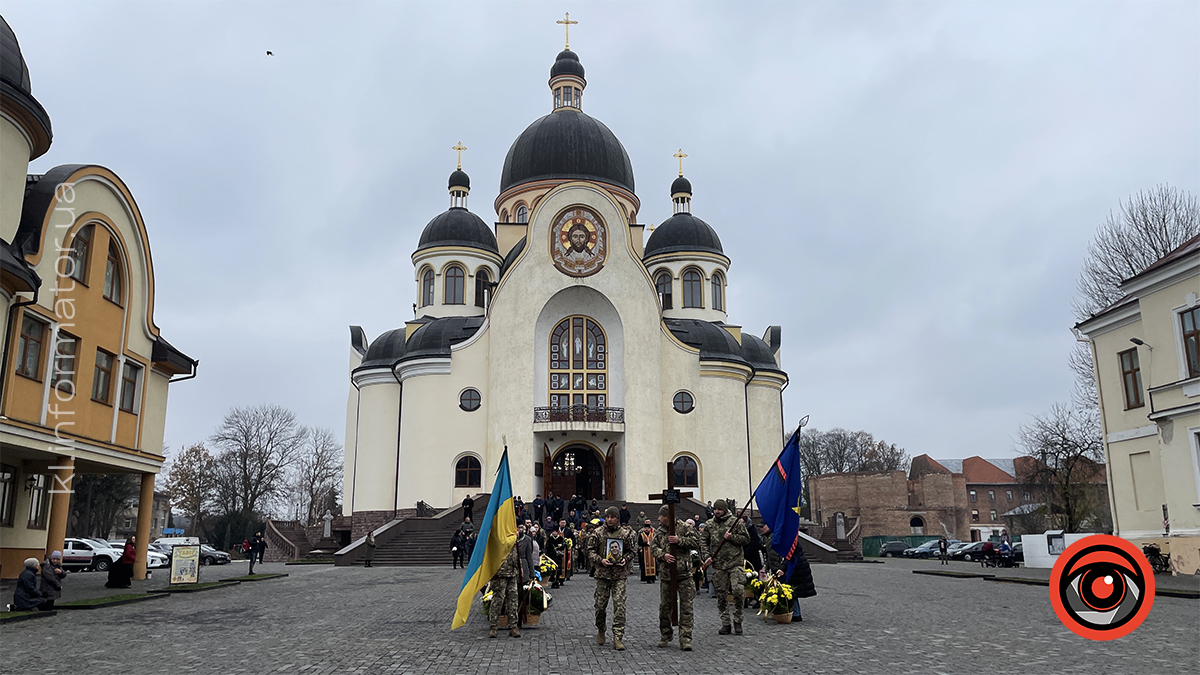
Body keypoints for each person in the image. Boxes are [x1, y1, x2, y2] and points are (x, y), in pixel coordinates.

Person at [588, 506, 637, 651]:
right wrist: (600, 560)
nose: (609, 519)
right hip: (602, 574)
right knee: (600, 606)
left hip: (619, 575)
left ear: (618, 518)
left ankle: (618, 636)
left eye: (613, 517)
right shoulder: (597, 533)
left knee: (620, 606)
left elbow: (632, 550)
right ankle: (601, 628)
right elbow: (590, 551)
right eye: (608, 517)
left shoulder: (625, 534)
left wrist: (625, 559)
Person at [652, 505, 700, 651]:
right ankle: (666, 634)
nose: (659, 519)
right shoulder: (659, 531)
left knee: (686, 607)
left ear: (668, 516)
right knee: (664, 607)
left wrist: (679, 540)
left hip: (684, 574)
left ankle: (685, 638)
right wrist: (663, 555)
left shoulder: (684, 527)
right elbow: (653, 547)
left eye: (661, 516)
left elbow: (695, 542)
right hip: (667, 575)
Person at [700, 499, 750, 635]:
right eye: (715, 509)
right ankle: (725, 622)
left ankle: (738, 620)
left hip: (735, 562)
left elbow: (746, 539)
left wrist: (732, 537)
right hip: (719, 565)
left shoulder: (735, 522)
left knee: (738, 591)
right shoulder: (710, 524)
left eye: (719, 509)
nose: (717, 511)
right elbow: (703, 541)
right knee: (721, 595)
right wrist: (706, 556)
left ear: (725, 510)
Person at [487, 524, 537, 639]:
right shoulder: (498, 538)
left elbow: (517, 554)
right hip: (500, 573)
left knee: (513, 600)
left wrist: (520, 568)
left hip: (513, 573)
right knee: (498, 600)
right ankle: (493, 627)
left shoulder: (514, 539)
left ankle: (513, 626)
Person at [764, 529, 817, 622]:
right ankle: (794, 613)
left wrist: (782, 569)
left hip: (796, 568)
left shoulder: (792, 541)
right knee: (792, 590)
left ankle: (796, 614)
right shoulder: (791, 539)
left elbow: (790, 556)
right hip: (796, 567)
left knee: (792, 590)